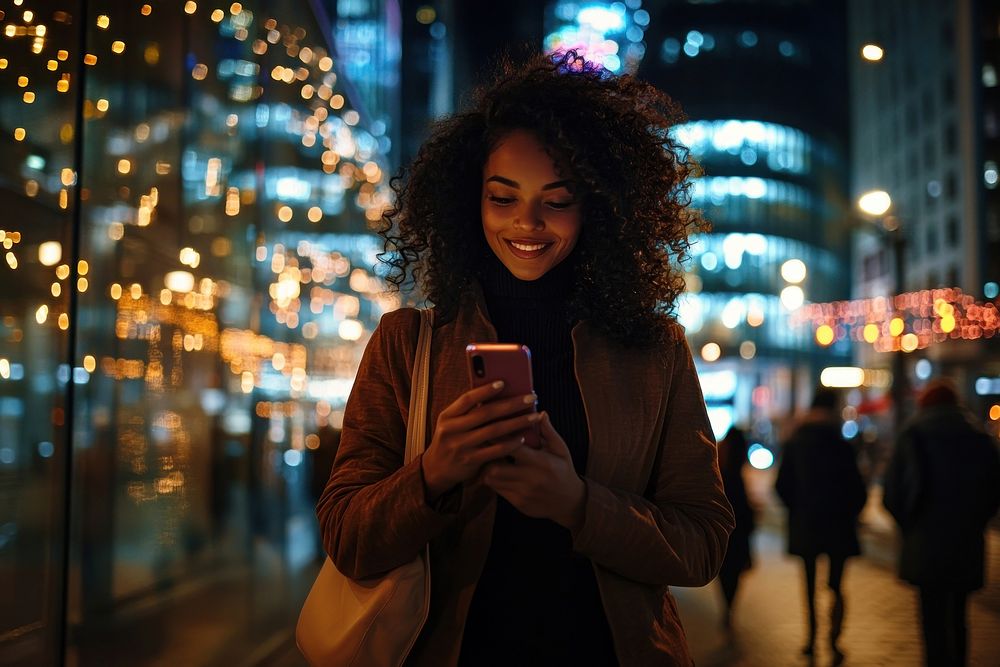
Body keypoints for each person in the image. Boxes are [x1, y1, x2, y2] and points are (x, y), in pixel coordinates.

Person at [315, 49, 735, 666]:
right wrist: (435, 472)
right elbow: (348, 536)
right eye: (502, 197)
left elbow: (703, 543)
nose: (528, 223)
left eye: (557, 201)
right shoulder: (408, 343)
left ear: (598, 206)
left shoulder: (654, 350)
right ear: (469, 200)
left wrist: (576, 503)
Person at [882, 379, 1000, 667]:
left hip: (925, 538)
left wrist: (909, 526)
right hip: (965, 539)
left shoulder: (912, 435)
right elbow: (994, 490)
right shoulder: (979, 437)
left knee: (930, 615)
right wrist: (975, 521)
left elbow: (892, 493)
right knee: (959, 615)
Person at [775, 387, 867, 665]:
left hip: (807, 524)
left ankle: (811, 639)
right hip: (838, 525)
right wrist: (850, 513)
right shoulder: (842, 445)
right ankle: (835, 639)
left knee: (809, 584)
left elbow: (781, 486)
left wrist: (797, 509)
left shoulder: (795, 443)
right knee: (836, 585)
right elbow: (858, 490)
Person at [717, 426, 755, 629]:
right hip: (739, 531)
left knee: (724, 570)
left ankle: (727, 607)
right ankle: (730, 607)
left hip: (723, 530)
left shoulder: (719, 473)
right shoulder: (737, 476)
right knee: (735, 570)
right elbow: (744, 509)